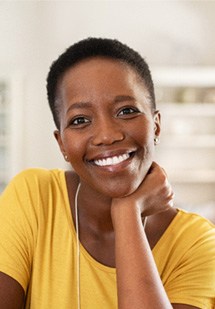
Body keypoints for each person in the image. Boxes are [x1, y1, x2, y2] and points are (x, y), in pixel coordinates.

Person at [0, 37, 214, 309]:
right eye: (80, 120)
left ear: (156, 126)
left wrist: (127, 213)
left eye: (127, 111)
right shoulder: (34, 197)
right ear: (62, 143)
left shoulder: (197, 244)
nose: (107, 135)